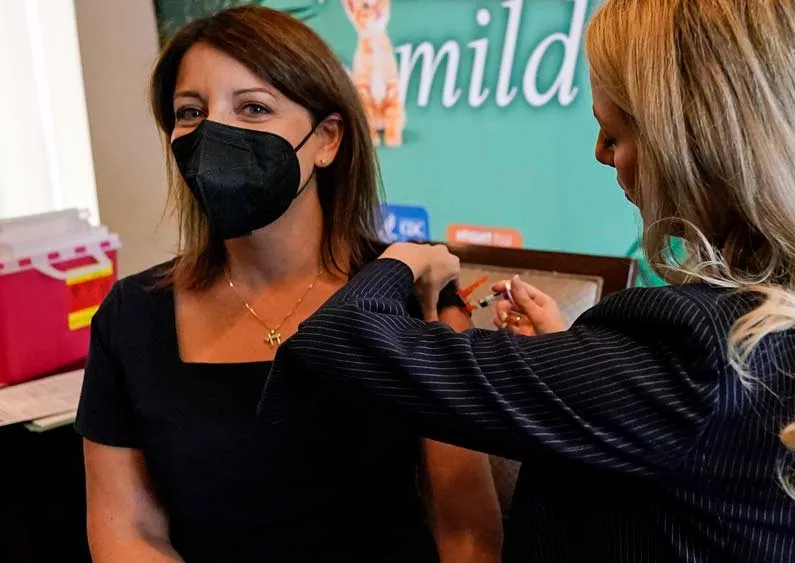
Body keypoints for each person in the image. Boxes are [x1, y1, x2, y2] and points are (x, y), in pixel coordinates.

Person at [258, 1, 795, 562]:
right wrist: (579, 359)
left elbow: (341, 338)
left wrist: (406, 260)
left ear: (693, 140)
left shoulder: (695, 348)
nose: (601, 154)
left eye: (615, 134)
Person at [74, 7, 501, 563]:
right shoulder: (131, 316)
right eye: (190, 112)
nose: (214, 133)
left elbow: (467, 532)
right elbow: (126, 532)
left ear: (327, 139)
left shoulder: (415, 294)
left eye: (253, 108)